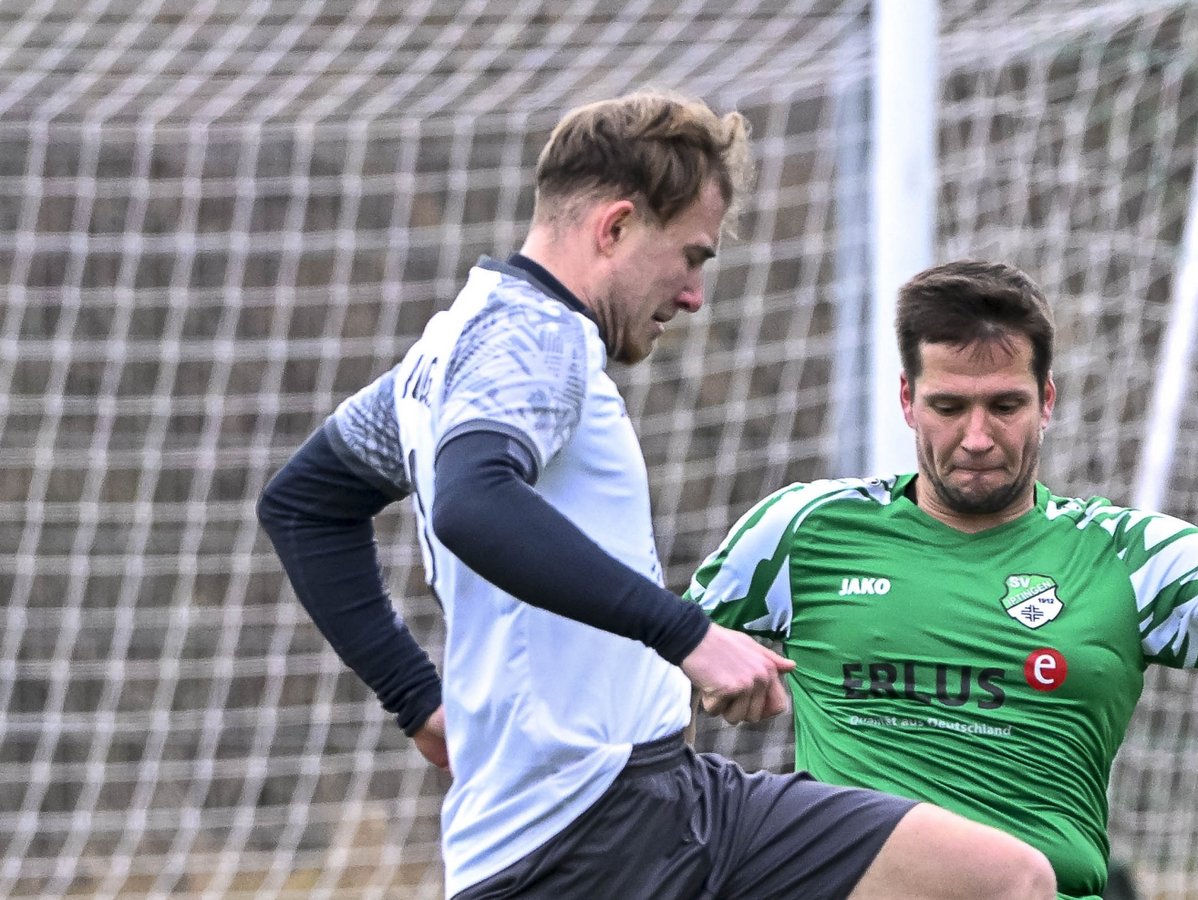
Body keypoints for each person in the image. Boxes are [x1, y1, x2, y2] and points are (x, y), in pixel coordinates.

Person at [256, 93, 1055, 900]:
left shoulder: (453, 348)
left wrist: (416, 700)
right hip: (576, 842)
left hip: (666, 797)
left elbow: (306, 502)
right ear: (616, 227)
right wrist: (688, 635)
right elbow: (472, 500)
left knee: (1004, 879)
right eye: (691, 256)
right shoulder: (538, 336)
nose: (695, 294)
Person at [687, 259, 1198, 900]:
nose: (976, 438)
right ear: (907, 399)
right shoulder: (803, 530)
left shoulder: (1133, 555)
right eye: (948, 407)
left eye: (1005, 406)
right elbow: (656, 662)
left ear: (1046, 400)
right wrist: (706, 669)